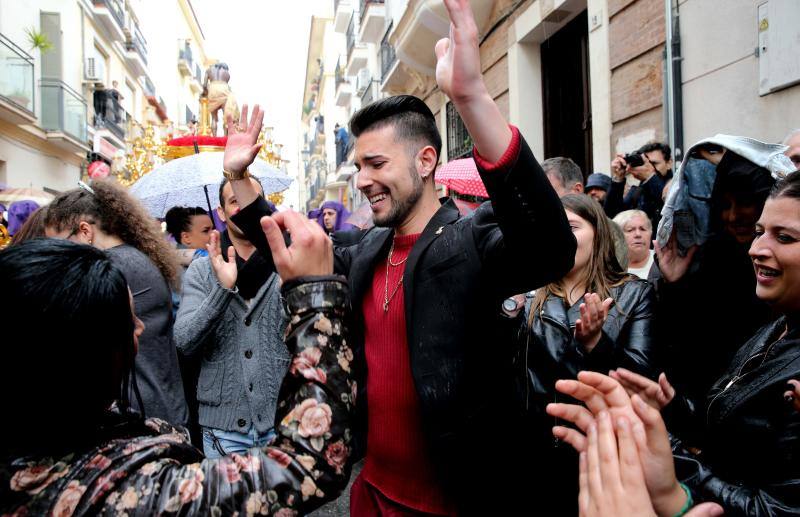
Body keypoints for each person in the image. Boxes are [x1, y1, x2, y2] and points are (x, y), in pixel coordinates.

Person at [222, 1, 577, 513]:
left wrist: (472, 97)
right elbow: (288, 244)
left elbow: (550, 247)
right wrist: (240, 179)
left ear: (426, 160)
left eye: (376, 163)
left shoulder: (471, 240)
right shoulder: (365, 249)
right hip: (371, 493)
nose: (362, 179)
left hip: (455, 501)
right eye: (358, 165)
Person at [0, 212, 357, 515]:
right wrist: (317, 299)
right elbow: (307, 467)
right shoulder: (133, 495)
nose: (140, 327)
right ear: (76, 358)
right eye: (127, 322)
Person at [549, 171, 800, 516]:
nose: (757, 249)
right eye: (759, 232)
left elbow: (774, 509)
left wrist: (665, 454)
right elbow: (725, 424)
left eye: (784, 237)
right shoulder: (774, 329)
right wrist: (668, 408)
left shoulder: (632, 294)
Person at [512, 193, 656, 515]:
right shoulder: (527, 296)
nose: (560, 236)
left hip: (604, 455)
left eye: (571, 227)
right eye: (552, 228)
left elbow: (641, 381)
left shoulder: (633, 294)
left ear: (598, 233)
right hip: (534, 461)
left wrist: (595, 344)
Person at [44, 180, 188, 427]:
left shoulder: (112, 268)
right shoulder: (131, 258)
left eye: (59, 244)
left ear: (85, 231)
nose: (57, 253)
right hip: (156, 402)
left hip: (142, 411)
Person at [174, 182, 290, 458]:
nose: (244, 208)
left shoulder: (286, 262)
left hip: (282, 421)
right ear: (222, 212)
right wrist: (222, 290)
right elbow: (184, 341)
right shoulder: (202, 270)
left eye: (251, 200)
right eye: (234, 201)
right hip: (223, 429)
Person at [654, 147, 776, 408]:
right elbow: (682, 340)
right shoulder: (712, 257)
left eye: (744, 203)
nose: (733, 216)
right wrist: (674, 284)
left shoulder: (781, 265)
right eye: (725, 205)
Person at [605, 142, 672, 225]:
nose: (649, 167)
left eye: (654, 163)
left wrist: (650, 177)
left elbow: (670, 205)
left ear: (669, 163)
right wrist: (618, 178)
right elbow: (614, 217)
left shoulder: (679, 186)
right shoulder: (637, 192)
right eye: (645, 163)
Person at [613, 209, 654, 279]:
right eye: (630, 230)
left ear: (651, 233)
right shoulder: (608, 267)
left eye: (643, 229)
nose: (638, 234)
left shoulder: (662, 261)